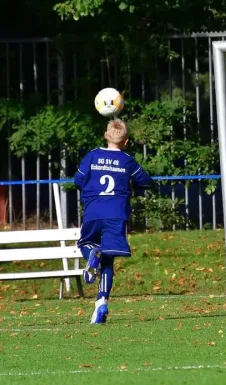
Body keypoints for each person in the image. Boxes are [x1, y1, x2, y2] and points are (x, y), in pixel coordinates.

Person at [74, 119, 154, 324]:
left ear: (105, 135)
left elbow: (77, 181)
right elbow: (147, 182)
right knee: (108, 259)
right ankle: (102, 303)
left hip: (94, 211)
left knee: (85, 244)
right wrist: (131, 184)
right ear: (126, 141)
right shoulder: (127, 161)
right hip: (117, 213)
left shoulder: (92, 156)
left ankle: (92, 254)